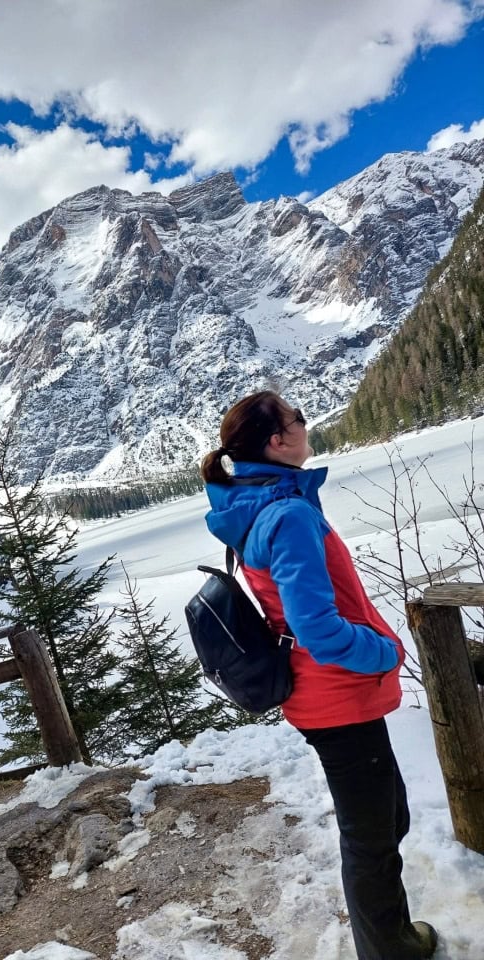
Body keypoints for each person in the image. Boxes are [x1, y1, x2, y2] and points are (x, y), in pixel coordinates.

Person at [201, 390, 438, 960]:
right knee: (372, 838)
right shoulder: (287, 514)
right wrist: (383, 652)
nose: (308, 426)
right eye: (298, 420)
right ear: (277, 442)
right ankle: (392, 948)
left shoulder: (263, 502)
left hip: (327, 697)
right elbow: (317, 628)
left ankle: (388, 935)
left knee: (388, 816)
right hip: (337, 698)